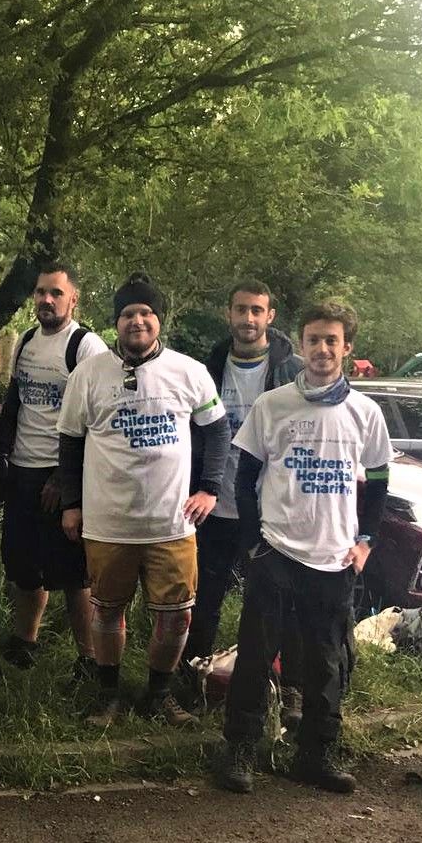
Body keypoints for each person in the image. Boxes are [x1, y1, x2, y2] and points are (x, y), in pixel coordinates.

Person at [217, 300, 391, 795]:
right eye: (314, 339)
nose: (322, 349)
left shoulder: (365, 413)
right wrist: (254, 543)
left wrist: (366, 542)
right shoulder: (273, 406)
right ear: (301, 343)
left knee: (325, 663)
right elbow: (245, 479)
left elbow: (379, 481)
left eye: (331, 340)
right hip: (277, 552)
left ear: (347, 347)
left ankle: (315, 755)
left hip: (335, 559)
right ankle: (240, 750)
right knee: (255, 657)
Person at [56, 273, 229, 727]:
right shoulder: (88, 374)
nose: (137, 321)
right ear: (117, 322)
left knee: (176, 618)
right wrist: (71, 504)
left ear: (159, 320)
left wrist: (210, 488)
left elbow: (217, 430)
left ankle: (159, 696)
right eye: (128, 314)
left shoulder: (189, 371)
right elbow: (70, 442)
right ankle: (108, 695)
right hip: (108, 521)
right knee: (107, 610)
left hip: (171, 522)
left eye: (146, 313)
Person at [183, 280, 303, 713]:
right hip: (215, 505)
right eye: (240, 309)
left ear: (270, 316)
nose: (248, 318)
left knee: (273, 603)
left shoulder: (292, 370)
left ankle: (278, 688)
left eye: (256, 310)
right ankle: (192, 682)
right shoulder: (207, 368)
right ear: (228, 313)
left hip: (270, 510)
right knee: (205, 599)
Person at [0, 263, 107, 679]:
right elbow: (16, 401)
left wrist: (64, 477)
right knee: (25, 567)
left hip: (62, 476)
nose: (47, 299)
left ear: (73, 298)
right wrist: (1, 456)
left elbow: (97, 420)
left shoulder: (86, 346)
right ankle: (26, 641)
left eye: (56, 293)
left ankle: (89, 658)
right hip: (23, 470)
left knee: (74, 575)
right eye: (41, 292)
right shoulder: (25, 341)